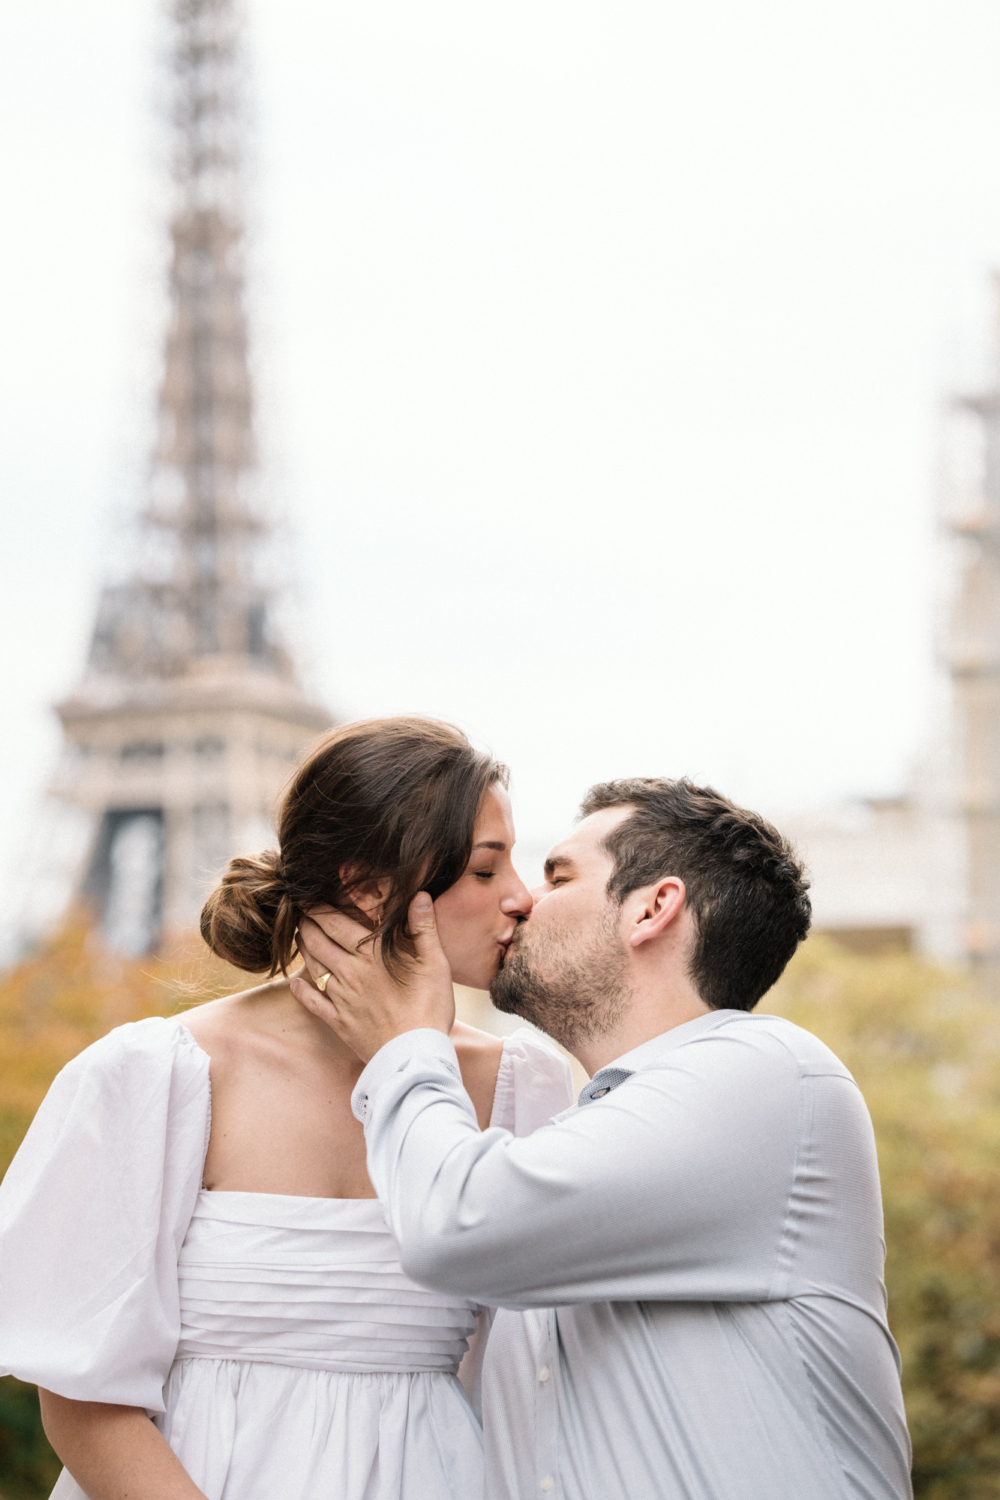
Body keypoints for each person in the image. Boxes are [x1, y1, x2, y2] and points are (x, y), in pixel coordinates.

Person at [293, 776, 914, 1500]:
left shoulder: (770, 1076)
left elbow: (455, 1225)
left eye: (558, 876)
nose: (522, 900)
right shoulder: (575, 1143)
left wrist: (404, 1043)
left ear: (654, 908)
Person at [0, 718, 572, 1500]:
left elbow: (541, 1383)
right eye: (484, 869)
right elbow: (83, 1403)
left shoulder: (524, 1084)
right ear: (369, 886)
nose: (522, 899)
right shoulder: (155, 1077)